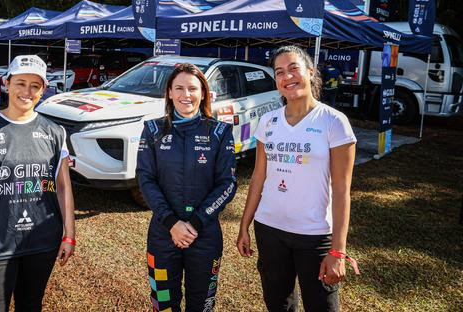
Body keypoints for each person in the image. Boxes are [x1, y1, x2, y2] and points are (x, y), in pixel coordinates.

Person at [236, 45, 358, 312]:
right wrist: (244, 225)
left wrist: (337, 250)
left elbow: (341, 190)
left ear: (310, 72)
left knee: (321, 305)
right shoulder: (268, 122)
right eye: (279, 72)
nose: (287, 77)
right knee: (278, 303)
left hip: (314, 234)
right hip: (269, 229)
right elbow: (258, 178)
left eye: (293, 68)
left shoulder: (334, 122)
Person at [0, 55, 76, 312]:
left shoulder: (55, 132)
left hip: (41, 242)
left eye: (35, 85)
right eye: (20, 83)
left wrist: (69, 234)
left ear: (43, 89)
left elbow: (63, 186)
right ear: (6, 83)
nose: (26, 92)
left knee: (30, 306)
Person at [137, 63, 237, 312]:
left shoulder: (220, 131)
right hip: (162, 235)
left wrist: (195, 224)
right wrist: (172, 223)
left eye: (193, 88)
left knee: (201, 305)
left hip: (205, 235)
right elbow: (145, 180)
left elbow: (227, 184)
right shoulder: (152, 130)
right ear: (169, 92)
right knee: (163, 303)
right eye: (179, 88)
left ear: (203, 92)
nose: (186, 95)